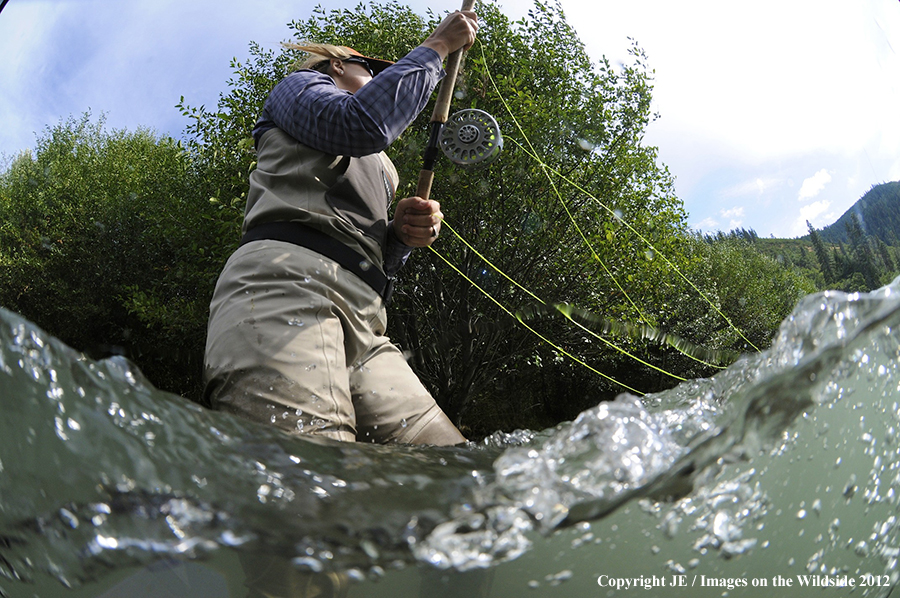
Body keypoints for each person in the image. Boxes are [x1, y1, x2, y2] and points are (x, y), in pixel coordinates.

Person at [203, 11, 479, 447]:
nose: (376, 78)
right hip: (286, 284)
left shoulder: (383, 168)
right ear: (336, 64)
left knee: (453, 469)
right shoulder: (300, 88)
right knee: (314, 481)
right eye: (370, 68)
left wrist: (400, 236)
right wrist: (437, 46)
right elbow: (362, 123)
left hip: (367, 323)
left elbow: (372, 255)